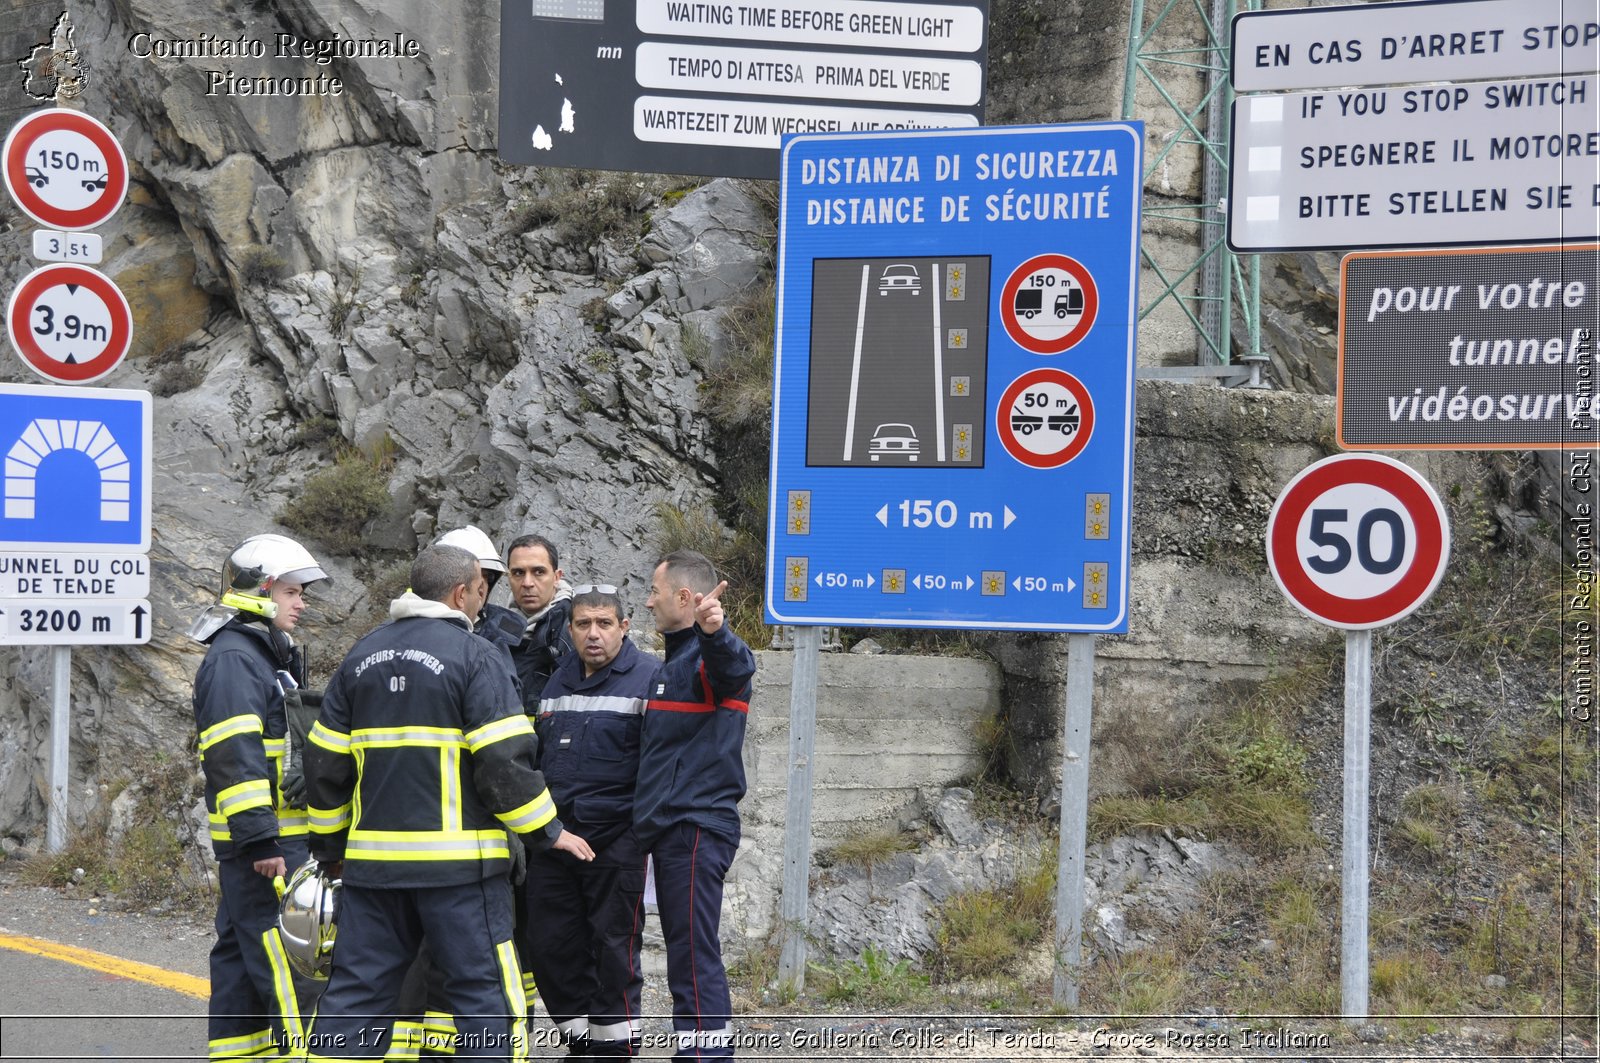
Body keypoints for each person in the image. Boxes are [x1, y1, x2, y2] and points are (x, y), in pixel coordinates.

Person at [301, 544, 594, 1061]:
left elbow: (325, 764)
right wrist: (547, 831)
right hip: (460, 875)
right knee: (483, 999)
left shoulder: (360, 655)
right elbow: (504, 761)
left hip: (372, 872)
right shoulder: (475, 655)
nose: (484, 603)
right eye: (482, 591)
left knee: (353, 999)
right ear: (462, 592)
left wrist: (330, 848)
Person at [190, 532, 328, 1060]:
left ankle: (241, 1052)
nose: (301, 603)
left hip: (265, 843)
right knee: (289, 957)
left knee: (239, 956)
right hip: (268, 846)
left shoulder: (259, 654)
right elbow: (234, 757)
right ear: (263, 590)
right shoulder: (236, 660)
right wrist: (260, 839)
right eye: (293, 592)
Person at [635, 551, 757, 1061]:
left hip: (695, 827)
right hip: (667, 830)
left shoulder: (709, 658)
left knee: (691, 955)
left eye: (655, 592)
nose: (648, 600)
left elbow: (734, 666)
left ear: (684, 598)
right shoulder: (669, 666)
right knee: (686, 952)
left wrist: (715, 631)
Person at [524, 585, 653, 1058]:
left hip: (616, 845)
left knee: (613, 954)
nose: (593, 634)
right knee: (551, 949)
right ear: (571, 629)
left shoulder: (648, 679)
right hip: (558, 844)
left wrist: (638, 834)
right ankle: (582, 1046)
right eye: (583, 624)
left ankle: (614, 1052)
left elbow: (658, 767)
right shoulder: (557, 683)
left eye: (603, 624)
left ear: (624, 626)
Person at [506, 534, 574, 710]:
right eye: (518, 573)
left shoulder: (576, 627)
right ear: (508, 577)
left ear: (557, 577)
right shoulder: (495, 629)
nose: (527, 583)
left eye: (539, 572)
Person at [437, 525, 525, 654]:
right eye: (474, 575)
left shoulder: (509, 629)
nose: (481, 584)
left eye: (487, 576)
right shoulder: (411, 628)